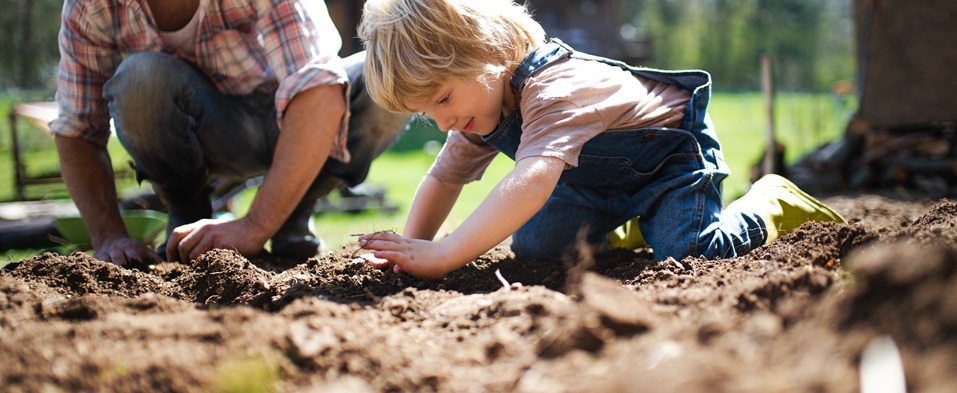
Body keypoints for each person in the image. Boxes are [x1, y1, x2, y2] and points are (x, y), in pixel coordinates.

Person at [353, 0, 846, 280]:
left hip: (668, 160)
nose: (441, 122)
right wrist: (412, 246)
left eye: (441, 100)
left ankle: (771, 202)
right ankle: (630, 221)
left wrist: (444, 254)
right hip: (592, 183)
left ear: (484, 53)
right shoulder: (479, 108)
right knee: (537, 247)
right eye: (426, 114)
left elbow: (531, 181)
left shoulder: (555, 89)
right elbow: (444, 177)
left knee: (694, 252)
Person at [52, 0, 410, 265]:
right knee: (139, 79)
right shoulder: (91, 8)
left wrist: (255, 225)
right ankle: (188, 224)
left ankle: (291, 218)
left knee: (388, 75)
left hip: (297, 126)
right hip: (209, 135)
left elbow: (318, 94)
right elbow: (78, 130)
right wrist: (108, 236)